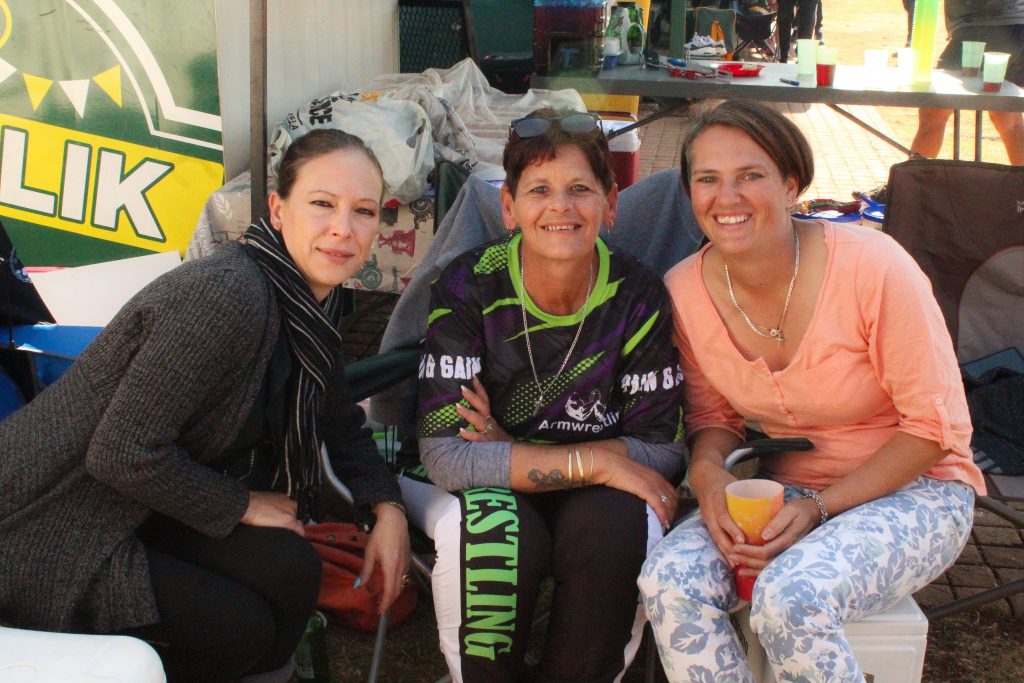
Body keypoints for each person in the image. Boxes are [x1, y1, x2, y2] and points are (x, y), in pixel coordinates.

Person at [0, 129, 411, 683]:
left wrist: (386, 508)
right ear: (278, 209)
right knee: (236, 627)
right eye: (322, 203)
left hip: (140, 500)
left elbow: (336, 417)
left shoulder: (310, 300)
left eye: (363, 211)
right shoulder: (225, 295)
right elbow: (121, 453)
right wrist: (241, 503)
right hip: (50, 521)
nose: (343, 228)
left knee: (291, 568)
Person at [638, 100, 985, 682]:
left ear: (791, 184)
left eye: (750, 175)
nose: (727, 197)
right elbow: (713, 419)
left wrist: (820, 509)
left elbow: (933, 428)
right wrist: (710, 477)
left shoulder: (873, 267)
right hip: (783, 495)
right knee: (669, 583)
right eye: (707, 179)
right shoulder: (684, 290)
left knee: (792, 598)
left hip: (917, 490)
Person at [406, 108, 685, 682]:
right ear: (509, 207)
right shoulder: (469, 283)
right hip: (493, 488)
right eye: (539, 190)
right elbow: (447, 457)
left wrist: (511, 447)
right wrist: (599, 462)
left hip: (575, 488)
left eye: (580, 189)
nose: (561, 206)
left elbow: (662, 449)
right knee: (492, 536)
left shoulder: (637, 293)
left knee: (618, 531)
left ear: (611, 204)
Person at [911, 0, 1024, 165]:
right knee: (1009, 119)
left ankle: (914, 179)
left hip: (979, 26)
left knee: (933, 114)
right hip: (1016, 26)